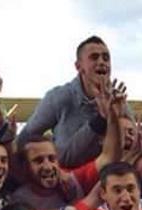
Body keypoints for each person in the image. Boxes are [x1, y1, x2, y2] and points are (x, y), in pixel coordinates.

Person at [18, 36, 117, 167]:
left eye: (106, 58)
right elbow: (25, 138)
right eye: (94, 57)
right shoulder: (59, 97)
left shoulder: (117, 101)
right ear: (78, 66)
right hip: (66, 179)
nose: (102, 62)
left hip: (107, 181)